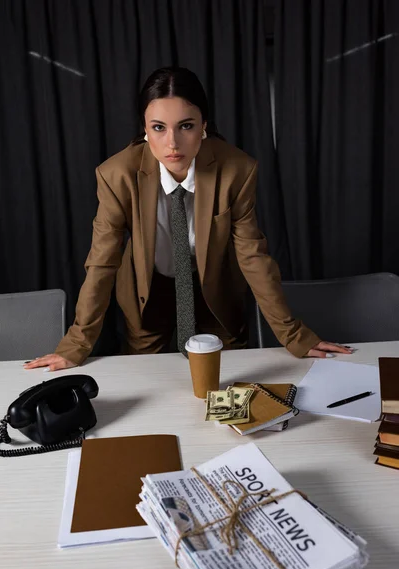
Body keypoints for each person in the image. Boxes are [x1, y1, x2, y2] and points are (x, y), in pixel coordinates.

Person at [24, 66, 352, 373]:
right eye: (158, 128)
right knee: (148, 380)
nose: (172, 143)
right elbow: (102, 261)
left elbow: (252, 255)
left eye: (186, 126)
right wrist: (76, 345)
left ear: (204, 125)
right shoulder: (117, 175)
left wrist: (296, 336)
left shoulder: (237, 169)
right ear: (144, 128)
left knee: (230, 382)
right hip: (148, 291)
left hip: (217, 289)